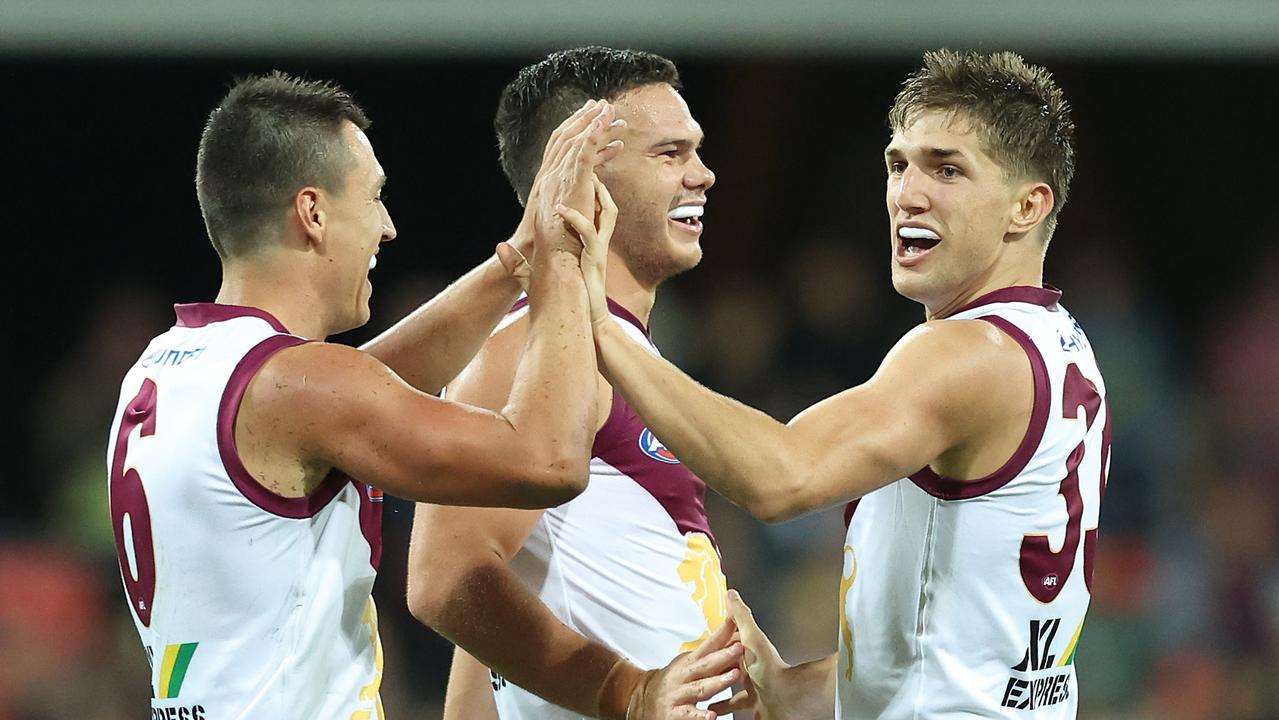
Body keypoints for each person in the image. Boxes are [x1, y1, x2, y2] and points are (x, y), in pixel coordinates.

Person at [582, 49, 1110, 719]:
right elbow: (974, 657)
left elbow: (781, 477)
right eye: (898, 164)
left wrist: (601, 326)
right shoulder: (1062, 343)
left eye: (947, 169)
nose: (907, 194)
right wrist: (793, 687)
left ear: (1026, 206)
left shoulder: (967, 352)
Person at [106, 70, 625, 719]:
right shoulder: (303, 388)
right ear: (313, 212)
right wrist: (565, 268)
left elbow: (368, 382)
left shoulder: (168, 368)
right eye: (374, 196)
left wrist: (516, 258)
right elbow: (547, 462)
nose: (387, 227)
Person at [407, 47, 738, 720]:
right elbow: (447, 581)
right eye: (669, 154)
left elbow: (490, 621)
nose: (702, 175)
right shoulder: (526, 353)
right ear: (586, 173)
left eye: (695, 151)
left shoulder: (609, 346)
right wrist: (623, 692)